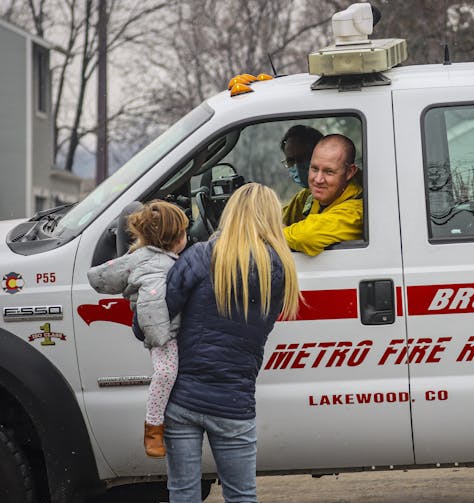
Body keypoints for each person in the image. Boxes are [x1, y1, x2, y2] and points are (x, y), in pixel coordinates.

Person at [163, 183, 300, 503]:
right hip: (235, 405)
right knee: (242, 496)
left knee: (183, 493)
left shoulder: (201, 255)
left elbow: (152, 322)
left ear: (231, 214)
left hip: (183, 399)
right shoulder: (279, 270)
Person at [87, 200, 188, 458]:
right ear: (173, 239)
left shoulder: (143, 257)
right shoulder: (158, 268)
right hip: (164, 334)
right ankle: (153, 428)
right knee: (166, 373)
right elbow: (152, 305)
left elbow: (108, 275)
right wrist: (161, 338)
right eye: (185, 233)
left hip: (163, 329)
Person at [284, 133, 364, 255]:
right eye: (314, 169)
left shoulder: (356, 212)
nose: (318, 179)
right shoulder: (308, 197)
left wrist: (273, 234)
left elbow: (306, 237)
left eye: (329, 172)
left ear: (349, 172)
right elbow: (278, 217)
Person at [280, 125, 323, 226]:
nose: (298, 166)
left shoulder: (350, 200)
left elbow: (309, 234)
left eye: (303, 159)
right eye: (291, 161)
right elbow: (279, 218)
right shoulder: (305, 197)